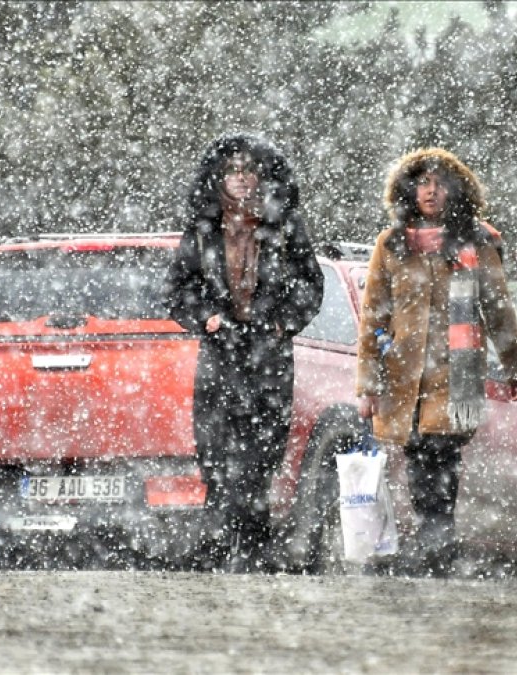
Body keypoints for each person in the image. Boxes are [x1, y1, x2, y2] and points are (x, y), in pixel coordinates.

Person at [356, 148, 517, 576]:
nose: (431, 191)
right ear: (408, 190)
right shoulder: (391, 245)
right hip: (405, 378)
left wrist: (516, 368)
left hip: (456, 375)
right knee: (419, 460)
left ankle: (438, 541)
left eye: (440, 183)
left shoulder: (476, 242)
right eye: (422, 182)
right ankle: (435, 545)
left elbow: (498, 309)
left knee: (442, 457)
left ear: (456, 190)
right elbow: (374, 315)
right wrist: (368, 384)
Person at [164, 133, 324, 573]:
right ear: (219, 176)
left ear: (262, 176)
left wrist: (278, 323)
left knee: (261, 455)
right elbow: (177, 291)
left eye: (248, 169)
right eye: (232, 170)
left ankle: (255, 547)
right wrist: (209, 318)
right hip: (219, 354)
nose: (240, 178)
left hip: (268, 355)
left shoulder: (285, 226)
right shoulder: (202, 229)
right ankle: (217, 541)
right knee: (215, 454)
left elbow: (310, 286)